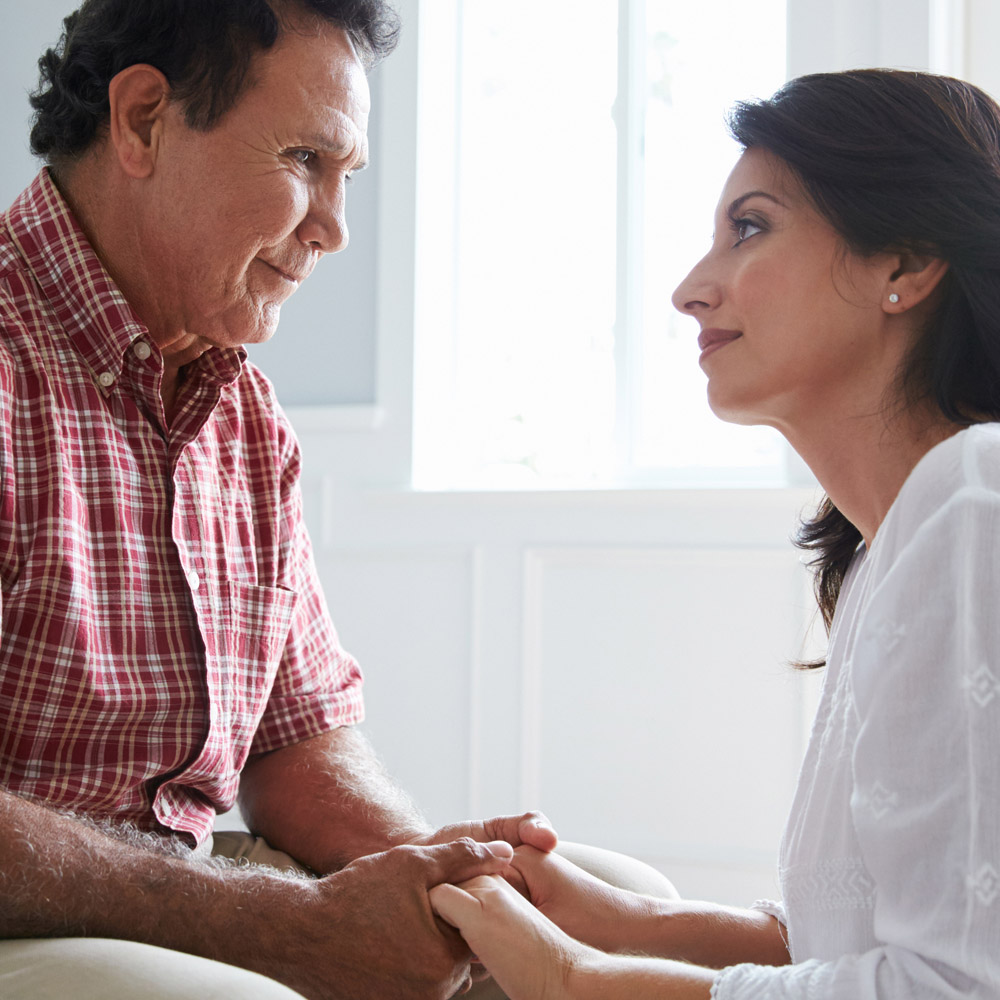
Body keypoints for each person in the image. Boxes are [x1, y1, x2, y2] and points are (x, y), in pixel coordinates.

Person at [0, 1, 608, 997]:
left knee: (585, 915)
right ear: (145, 120)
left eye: (347, 178)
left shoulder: (244, 413)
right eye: (303, 161)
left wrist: (438, 883)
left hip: (183, 894)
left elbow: (294, 746)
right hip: (40, 920)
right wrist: (284, 925)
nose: (333, 229)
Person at [427, 68, 1000, 999]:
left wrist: (575, 980)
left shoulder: (977, 501)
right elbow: (892, 938)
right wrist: (631, 923)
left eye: (750, 227)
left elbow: (954, 987)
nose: (692, 290)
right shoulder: (899, 548)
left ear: (903, 262)